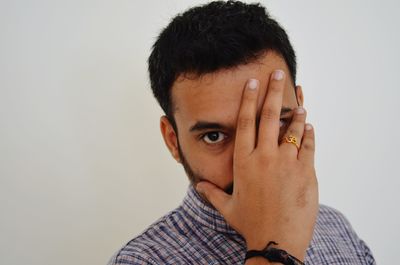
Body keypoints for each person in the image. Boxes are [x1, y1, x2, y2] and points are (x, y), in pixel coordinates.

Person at [108, 1, 375, 264]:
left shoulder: (337, 228)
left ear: (300, 105)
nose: (252, 161)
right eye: (214, 135)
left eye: (276, 122)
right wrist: (273, 248)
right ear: (172, 140)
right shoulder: (141, 260)